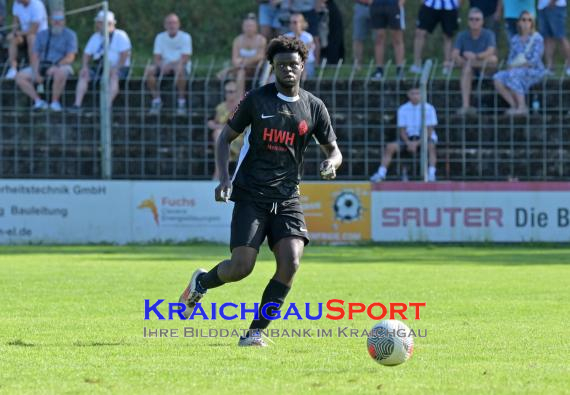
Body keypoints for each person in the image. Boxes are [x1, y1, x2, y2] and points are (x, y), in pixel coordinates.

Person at [179, 36, 342, 347]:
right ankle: (201, 282)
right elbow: (224, 138)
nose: (288, 70)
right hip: (251, 195)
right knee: (241, 267)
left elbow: (334, 150)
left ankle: (254, 333)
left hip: (288, 196)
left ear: (302, 66)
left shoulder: (314, 107)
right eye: (281, 65)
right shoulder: (256, 100)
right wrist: (224, 179)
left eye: (293, 64)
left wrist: (331, 163)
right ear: (272, 67)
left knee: (292, 262)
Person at [370, 87, 438, 182]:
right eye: (413, 93)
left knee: (431, 146)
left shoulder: (429, 108)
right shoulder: (403, 109)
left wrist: (417, 143)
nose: (415, 96)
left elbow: (430, 131)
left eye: (417, 93)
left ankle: (431, 174)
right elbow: (402, 130)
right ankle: (381, 173)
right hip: (408, 139)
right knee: (390, 147)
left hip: (425, 139)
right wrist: (408, 143)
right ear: (408, 94)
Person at [69, 10, 131, 113]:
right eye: (100, 23)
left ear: (112, 23)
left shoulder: (121, 35)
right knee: (84, 75)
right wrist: (84, 67)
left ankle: (106, 106)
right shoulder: (95, 37)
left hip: (119, 67)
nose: (103, 25)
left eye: (106, 23)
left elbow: (124, 55)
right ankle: (77, 104)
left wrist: (116, 68)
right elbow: (86, 54)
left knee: (114, 77)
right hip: (99, 66)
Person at [15, 11, 77, 112]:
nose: (57, 22)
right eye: (55, 20)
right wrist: (36, 72)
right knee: (20, 76)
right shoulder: (41, 35)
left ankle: (55, 102)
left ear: (64, 21)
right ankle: (38, 101)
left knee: (60, 72)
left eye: (60, 20)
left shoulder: (70, 35)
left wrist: (56, 66)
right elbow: (35, 55)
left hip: (61, 64)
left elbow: (70, 57)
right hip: (42, 64)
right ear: (50, 21)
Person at [493, 11, 546, 116]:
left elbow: (534, 60)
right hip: (516, 69)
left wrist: (516, 67)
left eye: (529, 20)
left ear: (532, 23)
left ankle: (522, 107)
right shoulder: (514, 39)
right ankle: (514, 105)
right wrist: (510, 66)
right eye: (523, 19)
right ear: (519, 22)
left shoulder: (537, 38)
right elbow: (511, 58)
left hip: (534, 70)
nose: (526, 22)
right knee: (497, 77)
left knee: (514, 74)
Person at [451, 7, 498, 115]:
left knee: (493, 59)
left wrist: (475, 57)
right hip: (468, 66)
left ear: (482, 21)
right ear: (468, 21)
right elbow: (454, 53)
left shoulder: (489, 34)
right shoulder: (462, 35)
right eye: (471, 19)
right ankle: (466, 105)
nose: (474, 22)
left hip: (484, 65)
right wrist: (461, 59)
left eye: (477, 19)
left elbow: (491, 51)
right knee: (467, 69)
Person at [145, 13, 192, 116]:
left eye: (174, 23)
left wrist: (171, 65)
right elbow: (156, 57)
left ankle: (181, 103)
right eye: (169, 23)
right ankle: (156, 101)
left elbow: (185, 58)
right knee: (149, 70)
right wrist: (162, 65)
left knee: (179, 68)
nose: (172, 25)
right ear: (165, 25)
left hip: (179, 66)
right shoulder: (160, 37)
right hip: (163, 66)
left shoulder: (185, 37)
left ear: (179, 24)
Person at [412, 0, 461, 75]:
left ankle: (447, 65)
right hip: (429, 4)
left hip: (450, 6)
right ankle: (416, 64)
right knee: (420, 33)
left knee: (448, 36)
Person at [208, 79, 245, 180]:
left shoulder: (242, 106)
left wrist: (219, 127)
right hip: (224, 138)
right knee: (218, 135)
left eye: (232, 91)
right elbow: (212, 122)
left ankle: (219, 173)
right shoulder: (221, 107)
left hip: (239, 139)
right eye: (227, 91)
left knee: (219, 135)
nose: (229, 94)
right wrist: (217, 126)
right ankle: (219, 172)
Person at [218, 13, 267, 89]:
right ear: (243, 27)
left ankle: (228, 71)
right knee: (241, 73)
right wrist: (247, 62)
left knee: (238, 72)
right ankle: (239, 98)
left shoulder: (261, 40)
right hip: (240, 69)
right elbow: (235, 60)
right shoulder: (237, 40)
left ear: (256, 27)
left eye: (251, 26)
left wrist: (244, 62)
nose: (249, 28)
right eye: (246, 26)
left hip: (256, 69)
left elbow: (260, 57)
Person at [5, 0, 48, 79]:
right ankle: (13, 69)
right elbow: (15, 21)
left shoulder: (37, 5)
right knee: (13, 39)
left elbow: (34, 30)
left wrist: (17, 33)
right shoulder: (17, 3)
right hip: (25, 34)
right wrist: (13, 33)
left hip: (40, 35)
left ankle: (33, 68)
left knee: (31, 37)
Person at [370, 0, 405, 80]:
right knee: (379, 37)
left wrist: (401, 2)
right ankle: (379, 70)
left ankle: (399, 69)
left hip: (394, 4)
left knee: (397, 38)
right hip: (377, 5)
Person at [537, 0, 570, 75]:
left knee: (560, 37)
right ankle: (550, 67)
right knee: (547, 38)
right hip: (542, 7)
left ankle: (569, 65)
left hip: (556, 6)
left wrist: (553, 1)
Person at [284, 13, 316, 78]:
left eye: (295, 22)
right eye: (291, 22)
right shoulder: (286, 36)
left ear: (301, 23)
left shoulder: (308, 37)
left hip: (306, 64)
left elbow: (304, 54)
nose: (292, 24)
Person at [352, 0, 372, 69]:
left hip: (377, 7)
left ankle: (379, 67)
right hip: (360, 6)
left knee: (379, 37)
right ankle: (357, 65)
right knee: (358, 38)